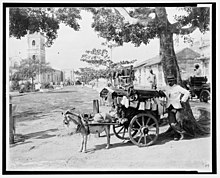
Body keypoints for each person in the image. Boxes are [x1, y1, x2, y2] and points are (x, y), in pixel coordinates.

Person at [161, 75, 190, 141]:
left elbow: (187, 92)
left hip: (177, 106)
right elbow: (159, 89)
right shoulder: (166, 87)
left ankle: (178, 135)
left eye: (171, 81)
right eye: (168, 81)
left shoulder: (178, 87)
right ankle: (180, 132)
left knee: (178, 121)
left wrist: (183, 100)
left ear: (174, 81)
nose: (170, 82)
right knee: (172, 123)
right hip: (170, 107)